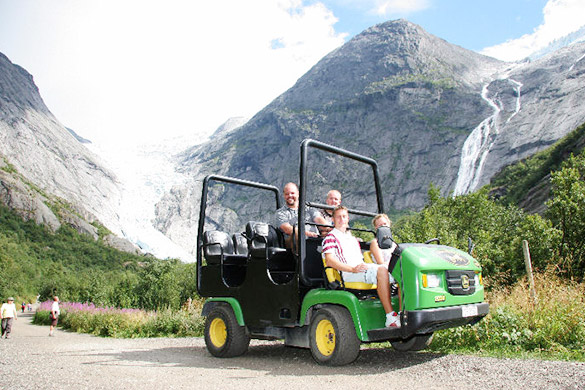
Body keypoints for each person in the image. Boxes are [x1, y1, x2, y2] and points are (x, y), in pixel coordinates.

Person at [322, 206, 400, 328]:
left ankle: (402, 312)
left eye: (344, 216)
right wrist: (352, 269)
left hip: (360, 269)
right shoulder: (331, 238)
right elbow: (330, 261)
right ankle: (390, 317)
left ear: (348, 219)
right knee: (382, 269)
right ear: (333, 219)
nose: (342, 219)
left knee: (400, 272)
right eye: (338, 217)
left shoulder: (352, 239)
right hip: (348, 273)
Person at [275, 182, 327, 248]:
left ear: (298, 194)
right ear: (284, 196)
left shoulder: (308, 209)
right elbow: (287, 229)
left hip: (314, 239)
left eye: (292, 193)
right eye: (287, 194)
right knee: (297, 233)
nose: (290, 196)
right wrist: (306, 234)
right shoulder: (281, 213)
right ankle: (301, 256)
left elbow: (318, 219)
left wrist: (328, 228)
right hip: (293, 242)